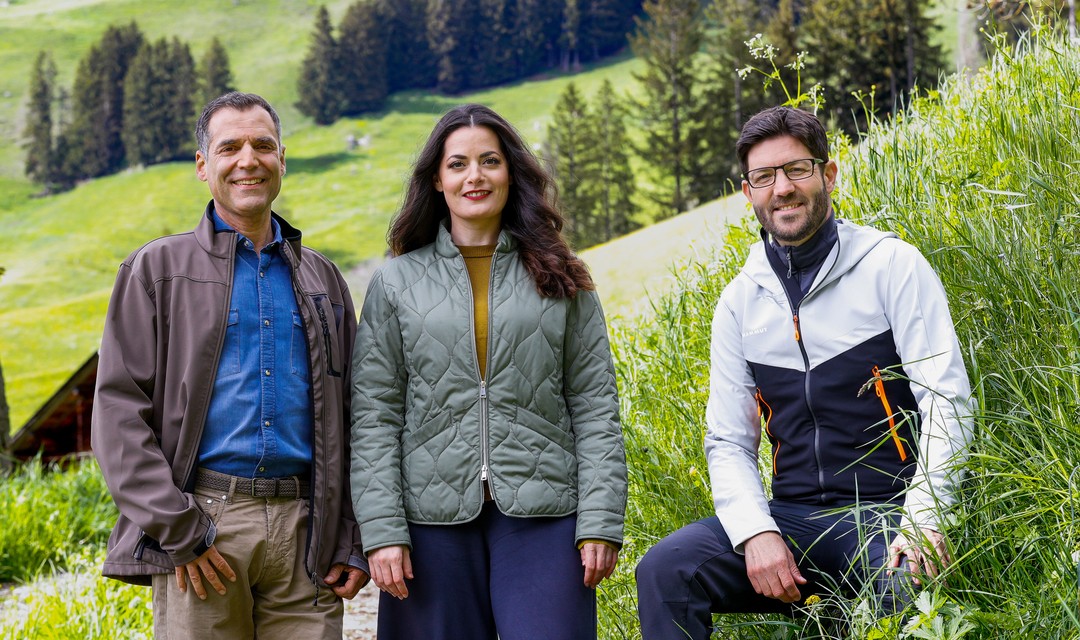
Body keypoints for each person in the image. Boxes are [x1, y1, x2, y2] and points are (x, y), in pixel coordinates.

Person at [635, 106, 974, 639]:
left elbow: (947, 399)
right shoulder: (739, 303)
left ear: (828, 174)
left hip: (886, 513)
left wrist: (925, 518)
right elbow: (727, 440)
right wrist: (754, 533)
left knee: (904, 585)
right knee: (664, 570)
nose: (782, 189)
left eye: (796, 169)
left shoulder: (892, 266)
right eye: (764, 177)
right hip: (790, 518)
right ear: (748, 193)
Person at [92, 91, 367, 639]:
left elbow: (356, 416)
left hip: (307, 532)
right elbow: (118, 410)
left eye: (263, 145)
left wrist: (350, 536)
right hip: (203, 528)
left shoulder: (324, 279)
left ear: (282, 159)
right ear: (203, 165)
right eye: (230, 147)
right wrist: (180, 530)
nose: (249, 160)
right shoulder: (156, 270)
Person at [349, 103, 627, 640]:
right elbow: (374, 417)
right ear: (436, 179)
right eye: (458, 164)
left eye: (489, 161)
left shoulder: (563, 277)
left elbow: (595, 407)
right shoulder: (395, 284)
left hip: (545, 514)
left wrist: (599, 518)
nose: (474, 176)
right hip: (428, 520)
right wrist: (383, 529)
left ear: (511, 173)